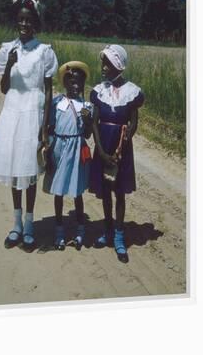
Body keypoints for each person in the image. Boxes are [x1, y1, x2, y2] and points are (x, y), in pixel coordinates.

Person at [0, 0, 58, 252]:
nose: (24, 24)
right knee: (16, 170)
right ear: (16, 22)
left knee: (30, 172)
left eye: (29, 20)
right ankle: (16, 223)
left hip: (33, 114)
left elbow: (48, 90)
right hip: (13, 113)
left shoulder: (44, 51)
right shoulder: (7, 50)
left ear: (35, 23)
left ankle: (29, 224)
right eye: (21, 20)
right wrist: (9, 66)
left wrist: (46, 124)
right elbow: (4, 88)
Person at [89, 44, 144, 263]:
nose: (103, 67)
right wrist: (101, 151)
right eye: (103, 62)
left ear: (118, 66)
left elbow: (133, 122)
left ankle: (120, 236)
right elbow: (94, 122)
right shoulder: (98, 91)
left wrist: (125, 139)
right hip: (103, 143)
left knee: (118, 191)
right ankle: (108, 230)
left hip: (121, 148)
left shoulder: (132, 92)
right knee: (105, 190)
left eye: (108, 64)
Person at [43, 62, 93, 250]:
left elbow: (87, 134)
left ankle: (80, 231)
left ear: (83, 83)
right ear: (64, 82)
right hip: (59, 148)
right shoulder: (56, 103)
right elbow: (49, 129)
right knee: (59, 191)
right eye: (71, 81)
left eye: (79, 81)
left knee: (77, 191)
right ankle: (59, 232)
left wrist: (88, 120)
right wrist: (47, 154)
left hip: (76, 149)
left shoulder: (86, 106)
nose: (75, 85)